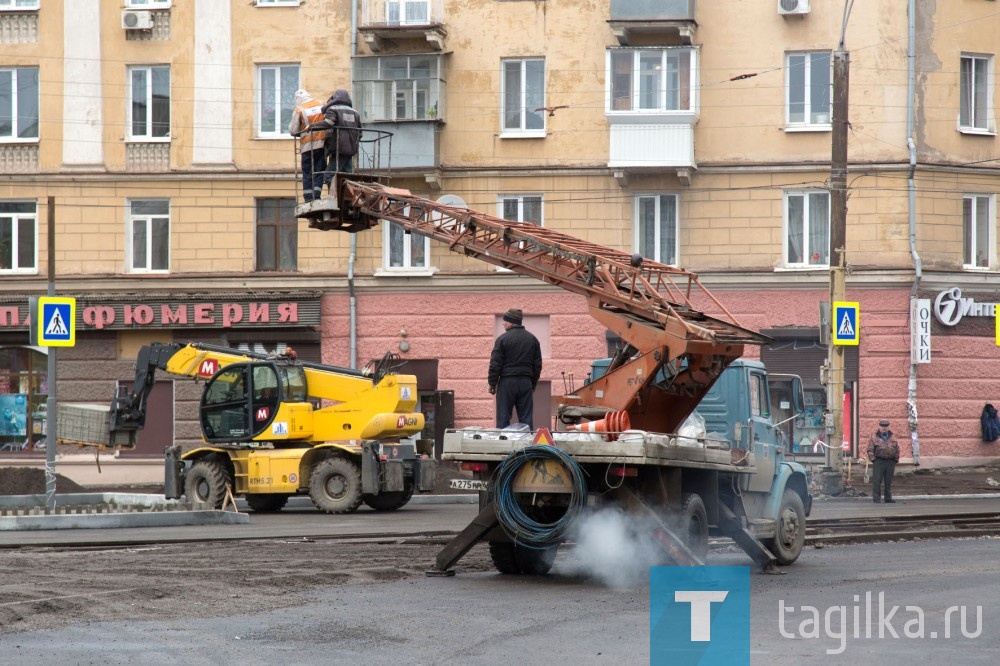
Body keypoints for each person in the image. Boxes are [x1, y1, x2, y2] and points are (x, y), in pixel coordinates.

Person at [488, 308, 542, 429]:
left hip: (507, 382)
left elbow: (495, 364)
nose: (503, 323)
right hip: (525, 382)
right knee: (526, 418)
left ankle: (503, 445)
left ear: (511, 322)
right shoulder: (532, 339)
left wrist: (492, 383)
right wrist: (532, 384)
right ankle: (527, 446)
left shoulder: (502, 339)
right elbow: (537, 365)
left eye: (505, 321)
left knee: (503, 417)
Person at [315, 89, 362, 184]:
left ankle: (333, 197)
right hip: (351, 148)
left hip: (339, 148)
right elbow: (360, 133)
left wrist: (311, 127)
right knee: (348, 174)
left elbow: (329, 122)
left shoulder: (333, 109)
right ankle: (348, 196)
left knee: (329, 175)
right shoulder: (355, 112)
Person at [288, 89, 327, 202]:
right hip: (321, 144)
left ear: (298, 99)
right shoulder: (321, 104)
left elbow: (293, 130)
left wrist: (302, 128)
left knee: (307, 172)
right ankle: (317, 195)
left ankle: (309, 198)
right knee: (319, 170)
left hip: (307, 147)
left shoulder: (299, 109)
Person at [867, 419, 900, 503]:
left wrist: (896, 459)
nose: (884, 428)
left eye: (886, 426)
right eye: (882, 426)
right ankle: (876, 498)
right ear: (879, 427)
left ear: (888, 427)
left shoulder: (893, 436)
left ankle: (888, 498)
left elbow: (897, 448)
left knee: (888, 481)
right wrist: (873, 460)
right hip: (879, 461)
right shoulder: (874, 436)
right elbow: (870, 449)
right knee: (877, 481)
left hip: (890, 461)